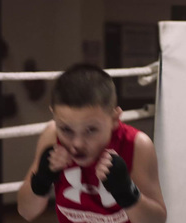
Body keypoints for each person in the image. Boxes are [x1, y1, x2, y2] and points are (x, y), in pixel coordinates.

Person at [17, 63, 167, 223]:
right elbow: (26, 212)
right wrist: (41, 179)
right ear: (54, 116)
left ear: (114, 119)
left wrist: (127, 192)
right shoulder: (52, 137)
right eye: (66, 129)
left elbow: (156, 221)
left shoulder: (136, 144)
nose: (78, 143)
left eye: (91, 130)